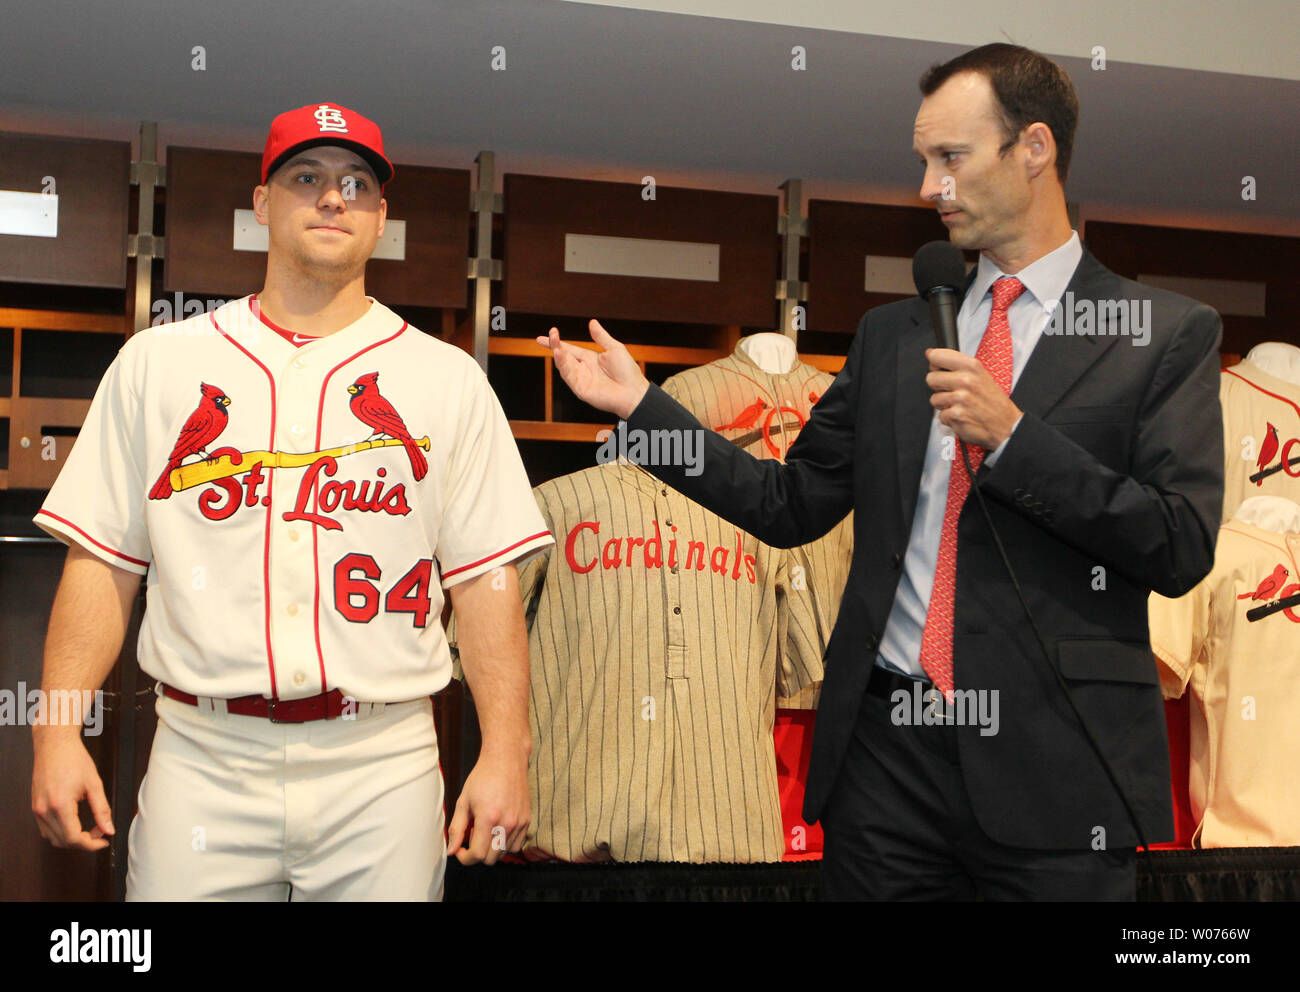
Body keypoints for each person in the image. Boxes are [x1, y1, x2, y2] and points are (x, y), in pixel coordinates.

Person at [539, 45, 1224, 900]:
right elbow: (786, 504)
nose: (928, 187)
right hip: (886, 760)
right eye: (922, 161)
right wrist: (645, 410)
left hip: (1059, 766)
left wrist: (1016, 439)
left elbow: (1178, 543)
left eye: (951, 158)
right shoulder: (896, 336)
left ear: (1035, 149)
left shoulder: (1162, 333)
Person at [30, 102, 553, 900]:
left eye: (356, 184)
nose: (333, 198)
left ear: (381, 218)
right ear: (263, 204)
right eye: (306, 178)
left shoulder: (448, 380)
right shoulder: (158, 364)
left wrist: (507, 748)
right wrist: (56, 728)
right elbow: (101, 564)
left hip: (383, 759)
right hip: (203, 753)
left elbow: (485, 582)